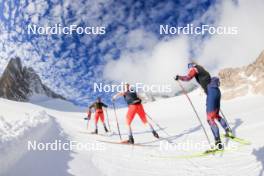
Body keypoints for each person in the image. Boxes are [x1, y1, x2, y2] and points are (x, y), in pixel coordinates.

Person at [175, 62, 232, 149]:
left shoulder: (194, 69)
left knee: (210, 118)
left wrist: (179, 77)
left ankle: (218, 142)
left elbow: (188, 78)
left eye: (189, 68)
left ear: (191, 66)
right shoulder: (202, 69)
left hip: (211, 93)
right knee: (216, 115)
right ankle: (228, 130)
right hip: (216, 92)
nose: (189, 70)